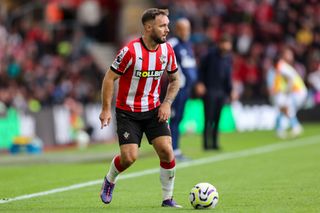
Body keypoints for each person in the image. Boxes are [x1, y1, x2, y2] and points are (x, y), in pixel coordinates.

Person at [99, 8, 181, 208]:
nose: (167, 30)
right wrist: (106, 109)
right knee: (129, 158)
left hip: (154, 110)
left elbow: (175, 80)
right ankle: (110, 179)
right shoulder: (130, 51)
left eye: (167, 25)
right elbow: (110, 78)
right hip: (128, 112)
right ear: (148, 27)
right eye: (162, 26)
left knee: (167, 151)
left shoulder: (167, 51)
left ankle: (167, 198)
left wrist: (167, 103)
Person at [195, 35, 233, 150]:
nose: (226, 46)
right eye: (225, 43)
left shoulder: (228, 58)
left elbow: (228, 76)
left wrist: (230, 90)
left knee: (217, 118)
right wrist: (200, 83)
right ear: (220, 44)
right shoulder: (210, 55)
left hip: (221, 92)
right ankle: (206, 144)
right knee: (208, 118)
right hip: (210, 90)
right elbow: (201, 70)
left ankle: (215, 143)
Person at [168, 18, 197, 161]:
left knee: (178, 118)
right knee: (173, 118)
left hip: (185, 87)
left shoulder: (188, 45)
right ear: (178, 30)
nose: (186, 32)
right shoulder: (172, 44)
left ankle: (175, 149)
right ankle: (172, 150)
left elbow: (190, 66)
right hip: (175, 87)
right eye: (184, 29)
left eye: (188, 28)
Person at [268, 47, 307, 138]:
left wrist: (287, 90)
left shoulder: (281, 67)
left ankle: (295, 127)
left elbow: (290, 78)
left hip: (297, 91)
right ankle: (281, 129)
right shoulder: (283, 66)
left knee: (286, 108)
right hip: (297, 91)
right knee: (284, 108)